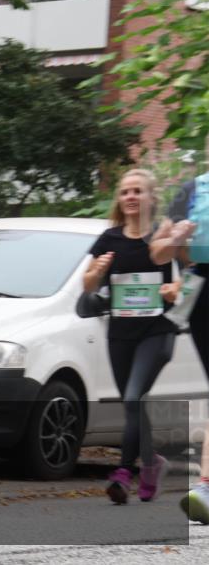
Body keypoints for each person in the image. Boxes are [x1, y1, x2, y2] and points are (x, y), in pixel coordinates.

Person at [83, 168, 181, 505]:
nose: (130, 197)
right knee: (132, 404)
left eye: (138, 191)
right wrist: (94, 275)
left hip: (158, 330)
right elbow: (89, 284)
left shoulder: (164, 236)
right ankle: (152, 463)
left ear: (151, 198)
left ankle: (124, 473)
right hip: (120, 333)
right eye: (125, 191)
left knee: (133, 397)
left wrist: (174, 289)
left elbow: (195, 276)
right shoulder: (108, 239)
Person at [150, 158, 209, 524]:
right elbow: (158, 252)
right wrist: (177, 239)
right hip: (203, 294)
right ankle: (205, 486)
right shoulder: (192, 190)